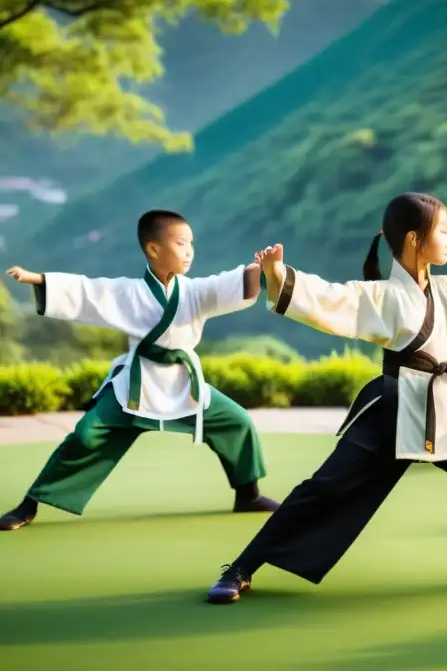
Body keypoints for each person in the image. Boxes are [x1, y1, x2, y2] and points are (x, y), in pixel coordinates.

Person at [206, 192, 447, 604]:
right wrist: (278, 275)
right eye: (442, 231)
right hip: (394, 410)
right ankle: (241, 568)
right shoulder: (382, 295)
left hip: (442, 408)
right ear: (413, 239)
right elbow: (332, 297)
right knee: (325, 489)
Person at [0, 210, 279, 532]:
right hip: (137, 385)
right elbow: (87, 291)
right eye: (180, 243)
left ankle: (249, 495)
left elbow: (231, 286)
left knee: (236, 422)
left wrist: (260, 269)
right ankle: (28, 505)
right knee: (87, 435)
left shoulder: (194, 291)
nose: (189, 251)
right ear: (154, 249)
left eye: (191, 244)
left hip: (183, 384)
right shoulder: (128, 291)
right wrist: (38, 279)